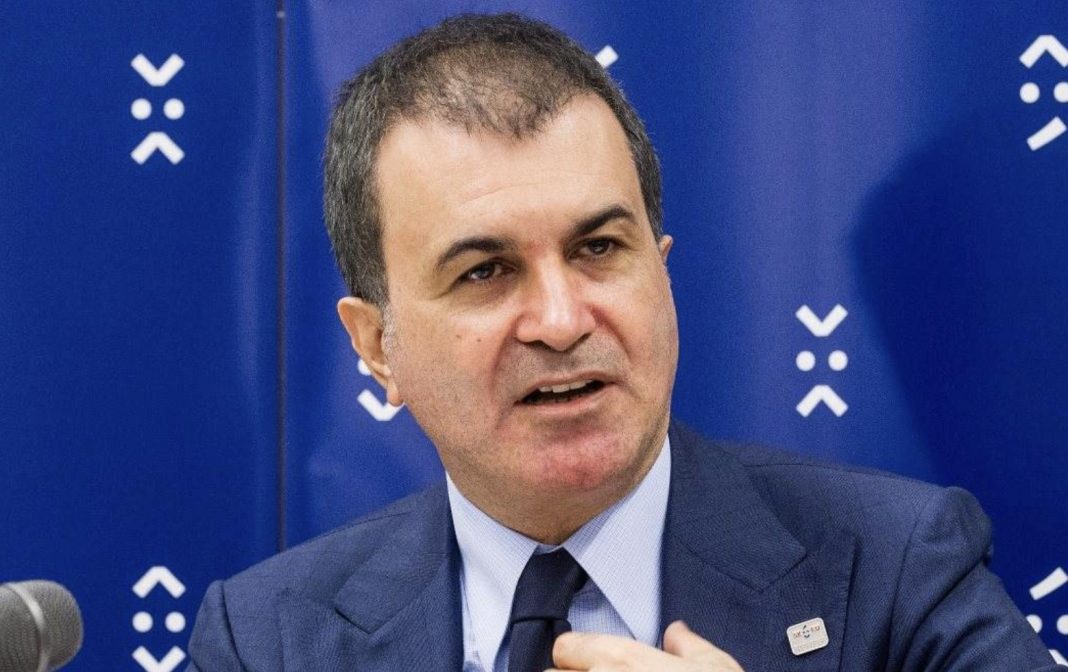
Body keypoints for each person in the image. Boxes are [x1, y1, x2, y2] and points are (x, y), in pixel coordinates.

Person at [187, 13, 1057, 671]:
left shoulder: (897, 572)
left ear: (661, 271)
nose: (562, 320)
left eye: (599, 249)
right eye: (486, 271)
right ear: (377, 345)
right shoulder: (268, 641)